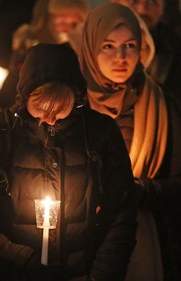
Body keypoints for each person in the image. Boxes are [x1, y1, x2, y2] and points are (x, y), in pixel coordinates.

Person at [0, 43, 137, 281]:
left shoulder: (99, 132)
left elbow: (121, 213)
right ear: (26, 96)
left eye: (60, 108)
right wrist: (19, 260)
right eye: (41, 107)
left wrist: (100, 276)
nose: (49, 119)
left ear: (76, 97)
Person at [79, 3, 181, 280]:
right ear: (90, 48)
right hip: (80, 236)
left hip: (144, 234)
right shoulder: (73, 105)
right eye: (108, 46)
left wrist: (139, 192)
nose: (121, 57)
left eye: (130, 45)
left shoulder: (162, 106)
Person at [0, 0, 90, 109]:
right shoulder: (30, 43)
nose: (67, 29)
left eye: (74, 24)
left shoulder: (82, 48)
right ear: (50, 18)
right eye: (62, 21)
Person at [111, 0, 181, 98]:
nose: (142, 9)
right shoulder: (92, 42)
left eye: (152, 2)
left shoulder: (174, 48)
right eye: (134, 1)